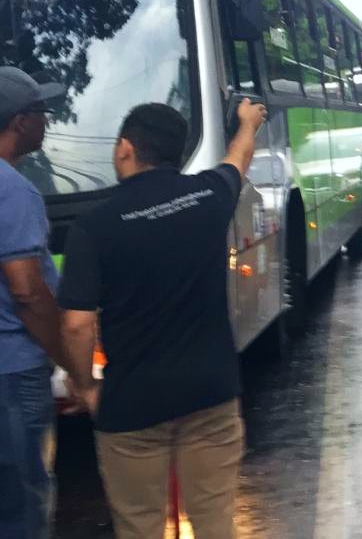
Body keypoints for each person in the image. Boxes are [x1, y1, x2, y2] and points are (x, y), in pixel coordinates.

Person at [57, 99, 266, 539]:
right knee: (214, 522)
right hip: (211, 394)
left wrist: (86, 386)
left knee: (140, 526)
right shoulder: (209, 195)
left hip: (133, 405)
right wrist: (247, 123)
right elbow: (238, 158)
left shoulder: (94, 227)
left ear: (125, 150)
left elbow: (76, 325)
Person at [0, 67, 66, 539]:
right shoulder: (15, 191)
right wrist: (70, 358)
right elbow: (26, 290)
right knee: (25, 501)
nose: (48, 120)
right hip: (15, 373)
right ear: (20, 121)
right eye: (42, 111)